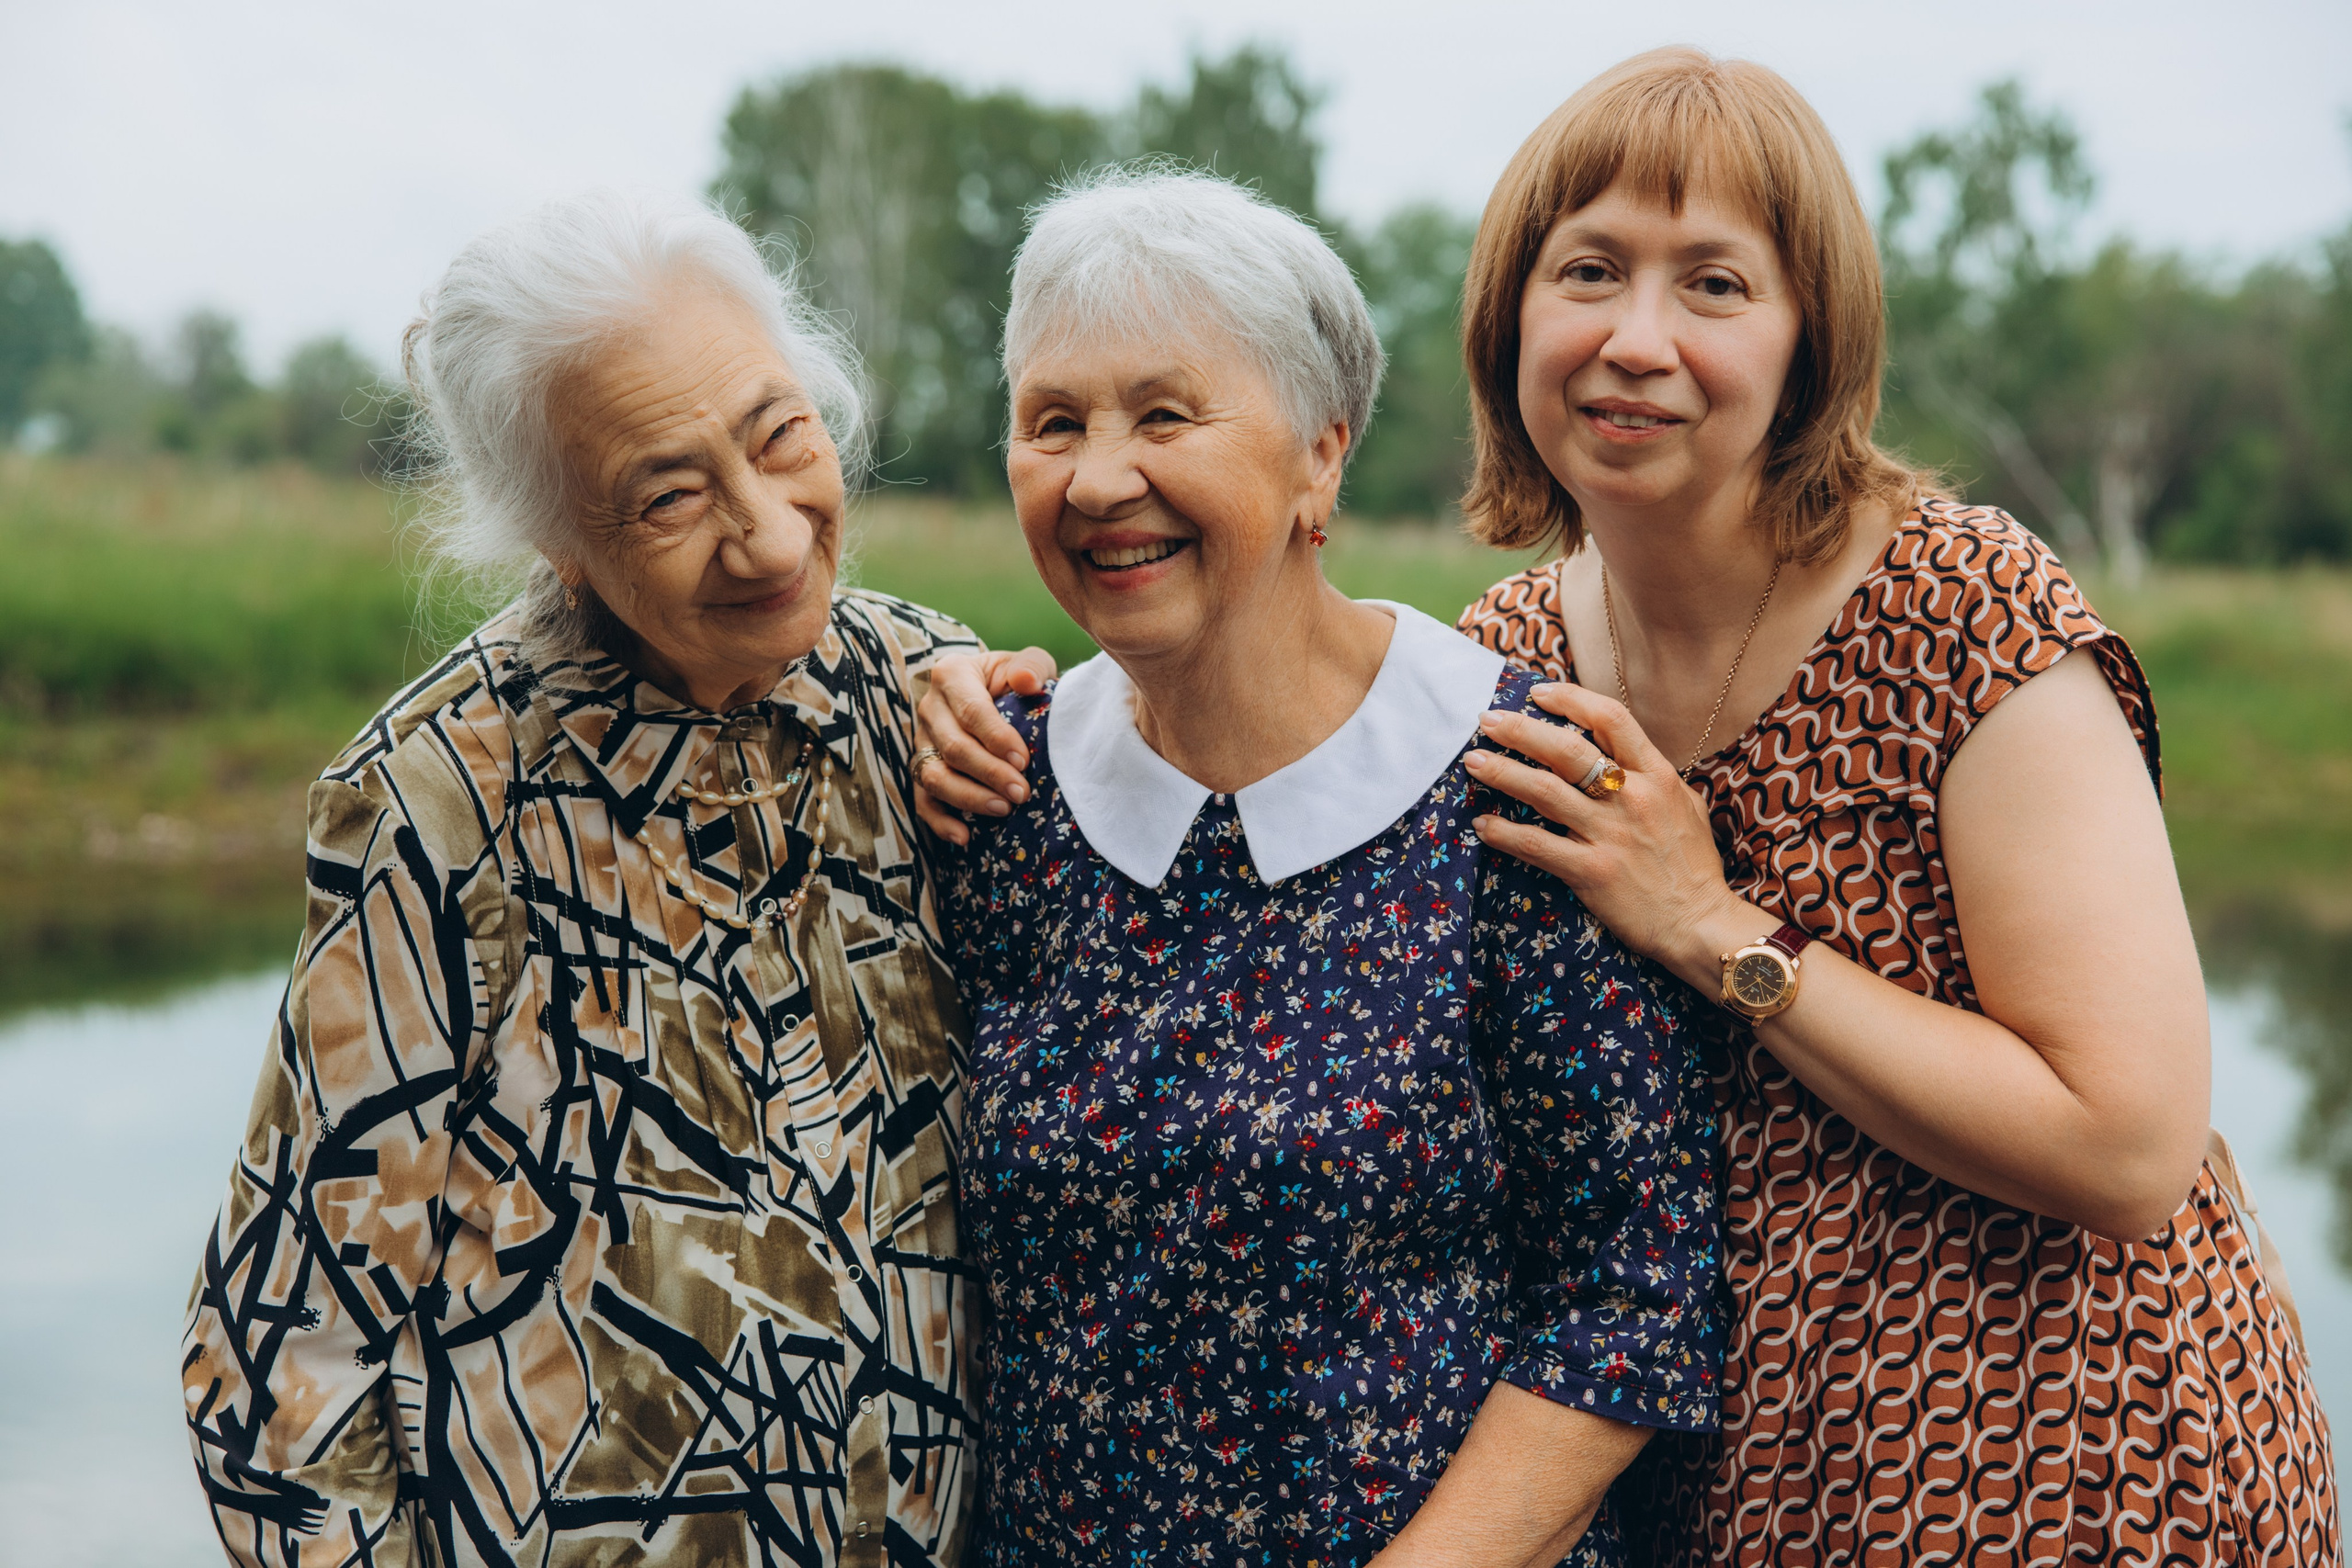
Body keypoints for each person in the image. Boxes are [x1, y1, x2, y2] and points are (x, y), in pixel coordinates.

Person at [1449, 50, 2337, 1562]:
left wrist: (1709, 924)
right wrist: (1017, 714)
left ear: (1811, 344)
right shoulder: (1505, 662)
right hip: (1730, 1492)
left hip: (2070, 1468)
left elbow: (2129, 1148)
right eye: (1588, 270)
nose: (1636, 340)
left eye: (1715, 285)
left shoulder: (1958, 607)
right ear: (1508, 318)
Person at [180, 188, 1051, 1567]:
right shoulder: (443, 797)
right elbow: (280, 1375)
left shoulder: (922, 696)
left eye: (781, 435)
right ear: (558, 541)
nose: (771, 536)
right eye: (668, 495)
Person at [933, 167, 1724, 1568]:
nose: (1098, 478)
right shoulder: (996, 788)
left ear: (1321, 454)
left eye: (1164, 416)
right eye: (1053, 423)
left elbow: (1630, 1298)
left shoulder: (1516, 785)